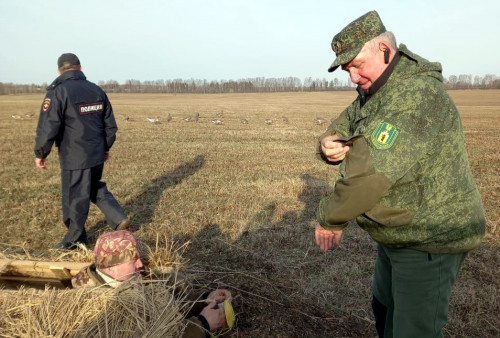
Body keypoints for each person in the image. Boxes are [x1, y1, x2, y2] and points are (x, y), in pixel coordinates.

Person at [314, 10, 485, 338]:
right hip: (398, 229)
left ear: (384, 50)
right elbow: (348, 118)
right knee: (383, 309)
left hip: (430, 237)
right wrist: (328, 142)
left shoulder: (416, 95)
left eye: (357, 65)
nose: (352, 78)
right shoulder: (380, 88)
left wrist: (328, 219)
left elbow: (370, 175)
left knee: (410, 330)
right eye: (347, 70)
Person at [34, 53, 130, 249]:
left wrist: (40, 153)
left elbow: (48, 127)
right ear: (80, 67)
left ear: (59, 70)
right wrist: (105, 147)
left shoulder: (58, 92)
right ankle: (117, 216)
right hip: (96, 154)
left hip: (74, 156)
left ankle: (74, 239)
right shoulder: (96, 90)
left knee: (74, 195)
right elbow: (110, 126)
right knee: (92, 185)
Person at [72, 230, 232, 337]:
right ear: (111, 268)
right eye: (133, 261)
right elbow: (156, 333)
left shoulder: (127, 277)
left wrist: (205, 299)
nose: (140, 265)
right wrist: (203, 324)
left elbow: (164, 306)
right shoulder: (102, 310)